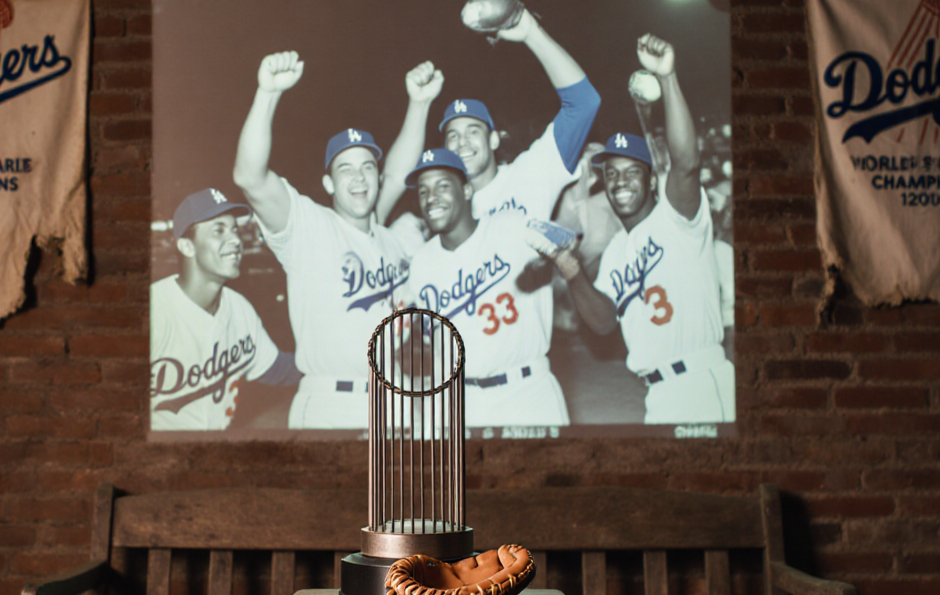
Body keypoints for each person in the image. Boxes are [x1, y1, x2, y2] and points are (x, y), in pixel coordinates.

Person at [232, 51, 444, 428]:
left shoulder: (386, 236)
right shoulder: (311, 229)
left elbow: (397, 173)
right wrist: (267, 94)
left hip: (398, 400)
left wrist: (420, 103)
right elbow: (251, 178)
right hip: (334, 405)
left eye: (368, 167)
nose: (360, 178)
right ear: (329, 183)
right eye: (346, 169)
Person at [540, 34, 735, 425]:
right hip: (655, 395)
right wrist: (570, 267)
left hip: (701, 381)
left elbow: (686, 164)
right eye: (611, 174)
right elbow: (603, 322)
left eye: (632, 172)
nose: (620, 182)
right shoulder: (616, 251)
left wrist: (668, 78)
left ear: (650, 181)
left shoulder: (677, 218)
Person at [399, 148, 570, 428]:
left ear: (466, 190)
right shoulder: (421, 263)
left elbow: (568, 240)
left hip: (527, 391)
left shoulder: (511, 226)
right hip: (464, 403)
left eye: (443, 186)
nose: (431, 198)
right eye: (423, 190)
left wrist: (549, 263)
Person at [150, 188, 297, 431]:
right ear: (187, 247)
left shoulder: (238, 308)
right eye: (218, 230)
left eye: (234, 230)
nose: (236, 240)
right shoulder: (157, 311)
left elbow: (278, 369)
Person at [441, 3, 600, 225]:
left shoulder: (528, 175)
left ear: (494, 139)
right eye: (453, 136)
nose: (462, 143)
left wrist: (532, 34)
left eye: (473, 131)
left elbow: (584, 103)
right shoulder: (443, 208)